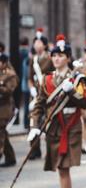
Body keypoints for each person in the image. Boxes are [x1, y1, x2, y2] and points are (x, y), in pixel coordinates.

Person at [28, 34, 86, 188]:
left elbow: (85, 102)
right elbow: (38, 105)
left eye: (61, 55)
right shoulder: (46, 79)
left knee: (63, 168)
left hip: (71, 127)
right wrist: (34, 126)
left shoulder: (78, 78)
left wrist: (72, 92)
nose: (56, 58)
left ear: (68, 58)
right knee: (61, 170)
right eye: (54, 55)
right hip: (53, 127)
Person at [28, 28, 55, 160]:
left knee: (48, 120)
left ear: (44, 44)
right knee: (33, 119)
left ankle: (49, 149)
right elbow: (29, 77)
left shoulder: (50, 58)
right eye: (35, 42)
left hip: (47, 91)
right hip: (36, 93)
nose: (37, 45)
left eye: (39, 42)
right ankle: (34, 149)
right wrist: (32, 88)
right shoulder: (33, 59)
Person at [0, 54, 19, 168]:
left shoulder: (10, 75)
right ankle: (10, 157)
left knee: (1, 131)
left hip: (6, 108)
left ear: (4, 63)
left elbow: (9, 90)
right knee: (3, 133)